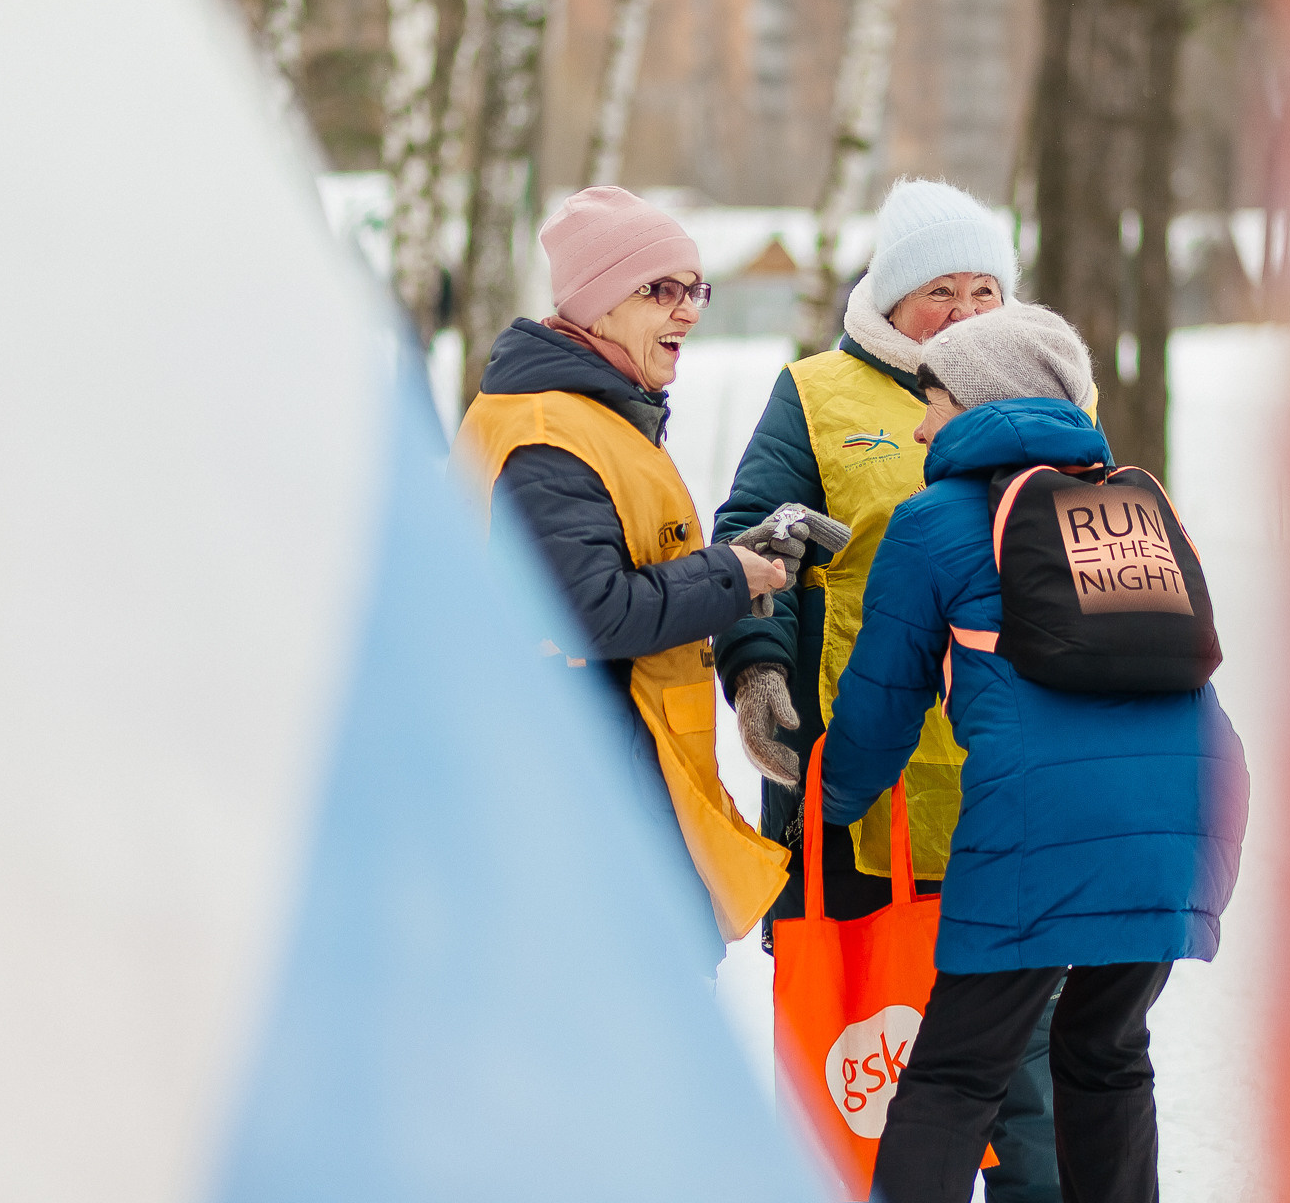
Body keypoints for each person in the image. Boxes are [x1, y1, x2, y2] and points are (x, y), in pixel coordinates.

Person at [817, 304, 1248, 1203]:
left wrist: (826, 799)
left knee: (955, 1074)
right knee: (1106, 1053)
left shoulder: (932, 522)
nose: (922, 422)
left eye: (931, 399)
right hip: (1188, 820)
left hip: (1041, 825)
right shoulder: (1139, 502)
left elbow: (883, 704)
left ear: (979, 402)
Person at [709, 178, 1071, 1196]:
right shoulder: (818, 392)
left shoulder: (1039, 391)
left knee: (1029, 1092)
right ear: (890, 297)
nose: (963, 313)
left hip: (1008, 793)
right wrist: (759, 670)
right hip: (858, 793)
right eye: (939, 291)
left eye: (984, 288)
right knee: (876, 1087)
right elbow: (754, 536)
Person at [454, 185, 793, 964]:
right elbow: (586, 610)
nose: (688, 311)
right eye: (658, 291)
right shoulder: (548, 434)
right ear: (596, 306)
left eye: (693, 288)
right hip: (583, 800)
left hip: (615, 790)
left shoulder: (596, 414)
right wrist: (732, 575)